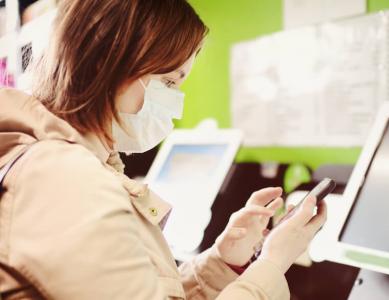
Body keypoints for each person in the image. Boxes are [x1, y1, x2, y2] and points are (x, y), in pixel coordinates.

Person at [0, 0, 327, 299]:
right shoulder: (64, 179)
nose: (175, 105)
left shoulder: (78, 165)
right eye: (169, 83)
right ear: (106, 63)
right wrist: (272, 264)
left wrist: (223, 261)